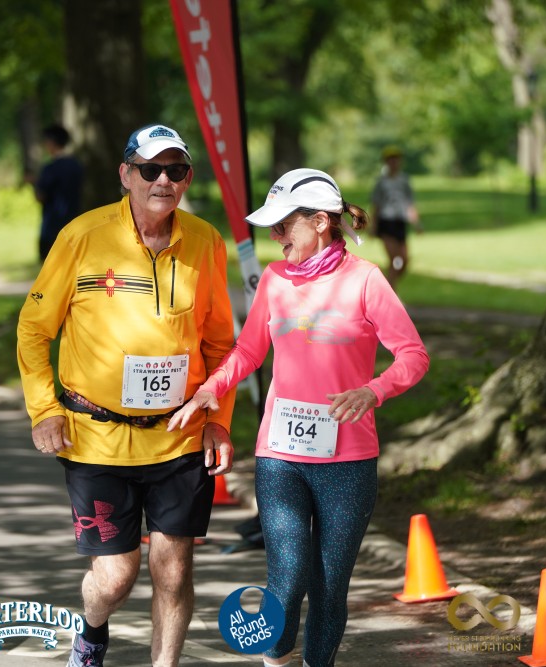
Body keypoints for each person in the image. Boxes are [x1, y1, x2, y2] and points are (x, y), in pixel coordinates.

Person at [169, 168, 429, 667]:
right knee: (287, 579)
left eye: (284, 225)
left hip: (348, 461)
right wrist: (209, 389)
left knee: (329, 586)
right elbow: (249, 351)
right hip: (280, 457)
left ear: (321, 222)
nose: (276, 236)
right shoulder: (274, 279)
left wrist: (373, 391)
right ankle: (275, 659)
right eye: (273, 227)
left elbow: (413, 355)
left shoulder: (365, 280)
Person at [16, 123, 237, 667]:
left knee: (173, 570)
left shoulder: (206, 241)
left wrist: (218, 420)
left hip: (177, 436)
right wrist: (44, 409)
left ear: (187, 178)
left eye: (175, 170)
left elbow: (220, 344)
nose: (163, 180)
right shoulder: (82, 236)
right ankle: (92, 631)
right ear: (126, 174)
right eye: (150, 169)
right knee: (115, 577)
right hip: (97, 439)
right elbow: (34, 329)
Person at [28, 123, 85, 262]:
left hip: (52, 226)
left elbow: (40, 196)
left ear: (52, 142)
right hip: (73, 223)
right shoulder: (76, 166)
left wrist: (34, 183)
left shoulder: (50, 169)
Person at [370, 145, 421, 290]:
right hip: (386, 222)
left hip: (400, 222)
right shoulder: (381, 182)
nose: (394, 162)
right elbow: (376, 204)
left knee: (403, 260)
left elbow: (409, 203)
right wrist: (373, 225)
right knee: (394, 259)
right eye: (390, 159)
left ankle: (385, 286)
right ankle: (391, 292)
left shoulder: (404, 180)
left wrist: (416, 222)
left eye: (396, 159)